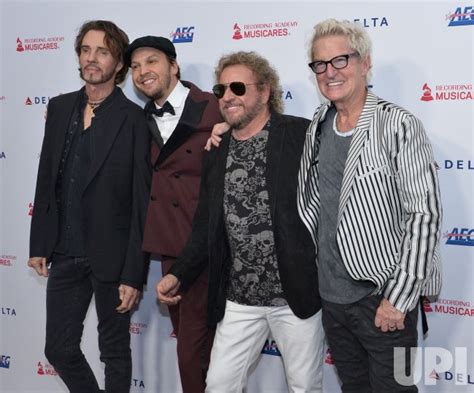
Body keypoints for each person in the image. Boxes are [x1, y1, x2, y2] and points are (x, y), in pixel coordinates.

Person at [157, 51, 324, 393]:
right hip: (239, 298)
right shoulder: (216, 148)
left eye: (237, 87)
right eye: (220, 90)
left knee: (305, 386)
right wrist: (178, 273)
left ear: (264, 91)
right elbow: (206, 223)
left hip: (294, 295)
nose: (228, 96)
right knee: (218, 384)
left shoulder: (299, 134)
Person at [297, 19, 442, 392]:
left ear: (365, 63)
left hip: (383, 301)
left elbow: (423, 216)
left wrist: (398, 299)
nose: (330, 72)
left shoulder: (398, 125)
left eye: (341, 60)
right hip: (332, 301)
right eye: (320, 64)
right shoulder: (318, 124)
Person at [28, 20, 151, 393]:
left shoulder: (133, 119)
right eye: (85, 50)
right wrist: (39, 244)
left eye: (102, 51)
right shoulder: (61, 107)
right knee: (59, 349)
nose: (91, 59)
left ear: (118, 64)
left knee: (113, 350)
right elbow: (47, 175)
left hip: (111, 258)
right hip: (64, 252)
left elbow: (140, 201)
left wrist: (134, 273)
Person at [124, 36, 221, 393]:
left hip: (210, 245)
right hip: (170, 249)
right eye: (134, 67)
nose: (142, 72)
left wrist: (230, 128)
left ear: (174, 66)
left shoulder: (213, 106)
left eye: (151, 62)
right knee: (196, 345)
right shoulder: (137, 120)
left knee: (193, 349)